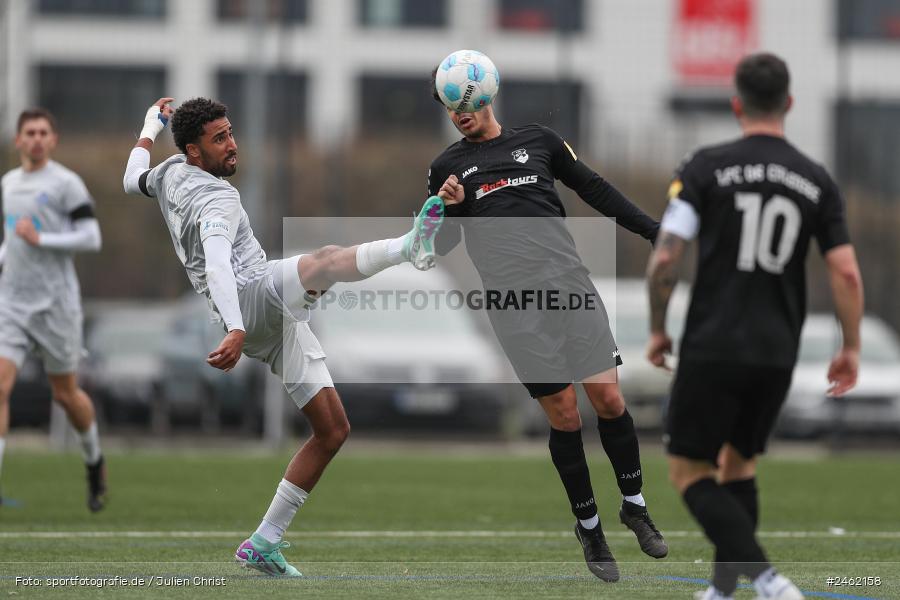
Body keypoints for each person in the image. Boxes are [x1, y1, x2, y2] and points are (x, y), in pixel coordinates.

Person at [122, 97, 444, 577]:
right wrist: (236, 327)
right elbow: (216, 265)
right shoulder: (218, 198)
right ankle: (408, 245)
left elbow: (132, 179)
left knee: (333, 430)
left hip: (262, 324)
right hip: (250, 302)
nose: (233, 145)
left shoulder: (168, 172)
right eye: (220, 139)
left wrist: (150, 124)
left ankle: (263, 541)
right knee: (325, 260)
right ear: (194, 151)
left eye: (231, 132)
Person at [428, 56, 667, 582]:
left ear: (487, 93)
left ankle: (635, 505)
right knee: (564, 414)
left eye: (464, 103)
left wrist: (653, 230)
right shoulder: (448, 166)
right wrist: (446, 207)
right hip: (515, 306)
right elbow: (439, 245)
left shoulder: (539, 141)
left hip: (570, 287)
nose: (458, 114)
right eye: (449, 107)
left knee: (609, 398)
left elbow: (595, 188)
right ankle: (590, 527)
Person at [646, 53, 863, 600]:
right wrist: (851, 347)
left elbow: (666, 259)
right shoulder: (816, 180)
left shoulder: (703, 167)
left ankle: (768, 580)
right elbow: (846, 271)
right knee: (738, 466)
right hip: (775, 349)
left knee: (688, 473)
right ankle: (724, 591)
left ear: (736, 103)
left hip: (714, 343)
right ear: (788, 103)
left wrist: (658, 328)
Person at [0, 108, 106, 512]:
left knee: (65, 394)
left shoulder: (66, 184)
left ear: (53, 139)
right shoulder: (8, 183)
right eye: (30, 132)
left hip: (56, 304)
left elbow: (91, 237)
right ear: (18, 140)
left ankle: (94, 462)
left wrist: (41, 238)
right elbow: (14, 239)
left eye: (44, 132)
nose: (37, 138)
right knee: (0, 387)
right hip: (11, 301)